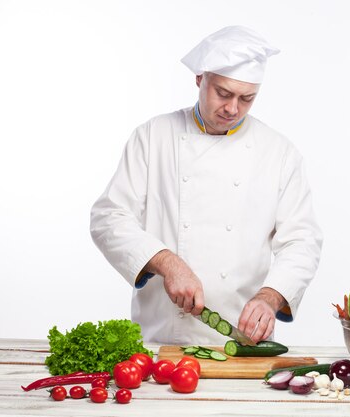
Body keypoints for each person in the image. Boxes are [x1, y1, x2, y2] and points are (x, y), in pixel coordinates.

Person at [90, 26, 323, 345]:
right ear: (200, 78)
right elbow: (108, 218)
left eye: (247, 98)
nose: (232, 109)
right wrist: (167, 262)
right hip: (163, 338)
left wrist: (271, 296)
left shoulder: (279, 153)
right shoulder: (153, 137)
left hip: (243, 341)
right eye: (223, 94)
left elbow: (303, 241)